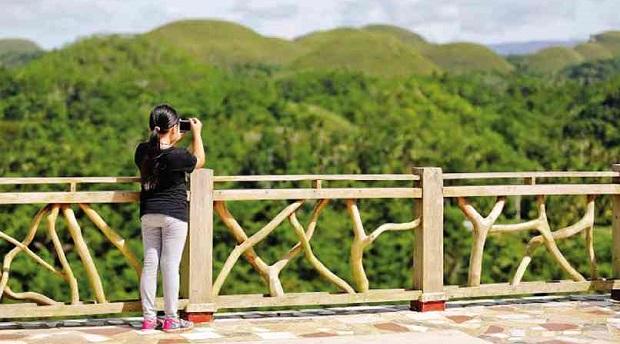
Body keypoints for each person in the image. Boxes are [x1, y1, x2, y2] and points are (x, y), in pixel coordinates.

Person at [134, 103, 205, 332]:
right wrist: (197, 134)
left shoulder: (142, 151)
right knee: (170, 266)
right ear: (174, 127)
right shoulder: (178, 156)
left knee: (150, 265)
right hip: (173, 215)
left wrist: (174, 137)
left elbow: (160, 152)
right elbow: (198, 161)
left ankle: (148, 319)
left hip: (148, 214)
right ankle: (171, 319)